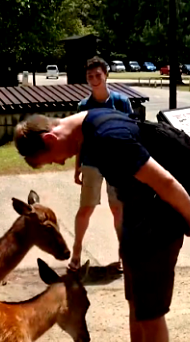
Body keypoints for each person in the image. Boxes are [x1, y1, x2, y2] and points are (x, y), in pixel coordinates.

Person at [13, 109, 190, 342]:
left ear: (52, 137)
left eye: (54, 158)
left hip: (159, 223)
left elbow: (165, 182)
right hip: (137, 220)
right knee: (137, 304)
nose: (61, 162)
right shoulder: (87, 124)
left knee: (151, 314)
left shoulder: (108, 138)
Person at [70, 56, 134, 271]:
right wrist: (77, 167)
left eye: (98, 75)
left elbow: (132, 133)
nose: (94, 79)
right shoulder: (83, 106)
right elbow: (80, 138)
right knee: (86, 208)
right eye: (90, 76)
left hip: (117, 164)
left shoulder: (121, 103)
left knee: (118, 210)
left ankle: (123, 253)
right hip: (92, 162)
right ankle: (76, 252)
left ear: (106, 75)